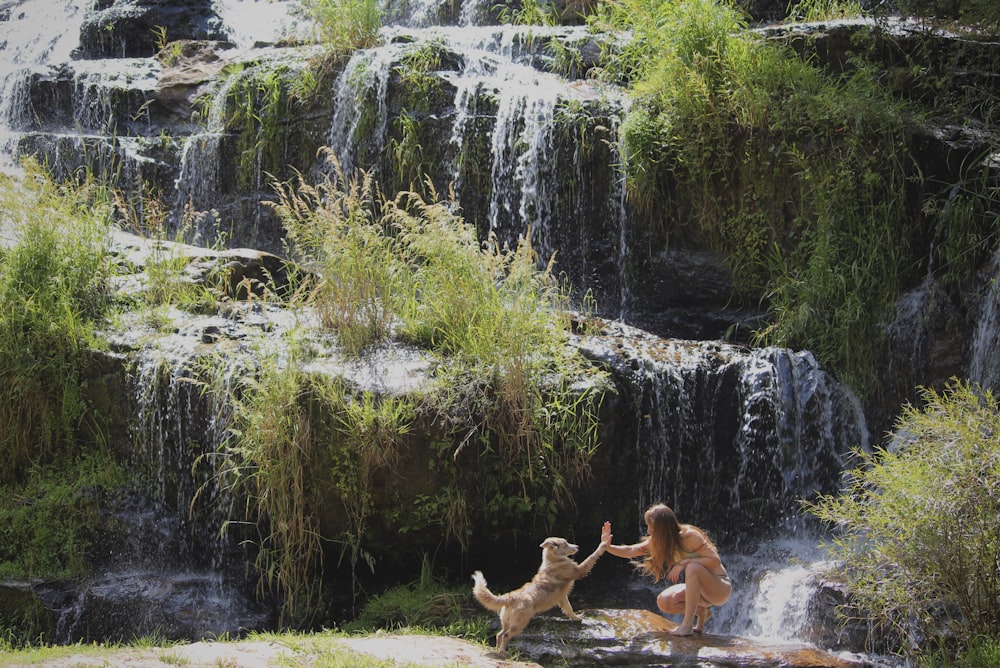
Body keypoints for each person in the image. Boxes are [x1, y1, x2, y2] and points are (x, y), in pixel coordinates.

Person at [601, 503, 731, 636]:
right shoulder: (659, 541)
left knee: (693, 568)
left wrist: (684, 563)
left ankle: (686, 626)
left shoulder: (690, 536)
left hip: (719, 588)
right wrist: (607, 547)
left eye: (650, 526)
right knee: (665, 601)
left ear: (661, 527)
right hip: (698, 591)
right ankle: (701, 612)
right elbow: (633, 550)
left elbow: (715, 561)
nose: (648, 531)